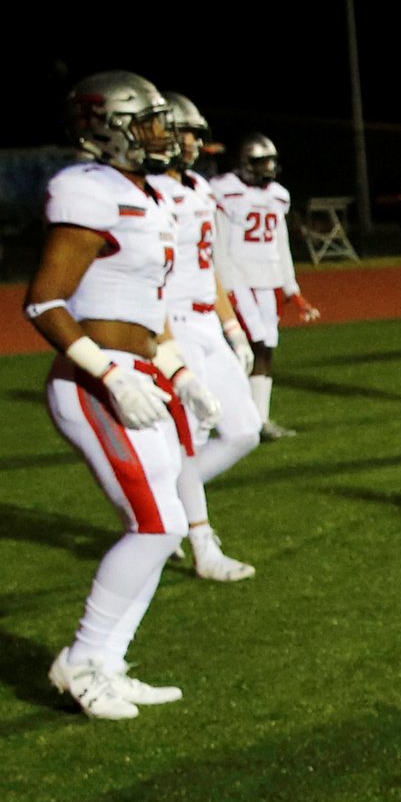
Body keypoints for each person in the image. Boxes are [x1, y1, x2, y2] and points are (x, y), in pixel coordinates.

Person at [20, 71, 230, 720]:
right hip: (95, 378)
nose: (158, 135)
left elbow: (148, 308)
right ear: (102, 125)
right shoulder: (87, 190)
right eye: (145, 122)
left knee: (163, 530)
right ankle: (83, 660)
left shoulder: (144, 193)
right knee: (157, 523)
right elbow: (43, 302)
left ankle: (108, 661)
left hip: (139, 369)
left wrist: (179, 369)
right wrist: (107, 374)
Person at [148, 94, 265, 582]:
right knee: (186, 442)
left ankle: (166, 507)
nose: (194, 142)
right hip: (171, 323)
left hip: (206, 323)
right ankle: (199, 541)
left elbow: (207, 264)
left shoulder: (197, 188)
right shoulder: (148, 193)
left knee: (244, 430)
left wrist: (233, 325)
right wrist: (169, 346)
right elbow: (151, 277)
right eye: (186, 133)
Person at [209, 132, 320, 440]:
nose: (268, 167)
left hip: (266, 278)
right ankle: (228, 416)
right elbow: (219, 242)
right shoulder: (224, 192)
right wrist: (225, 285)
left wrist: (291, 288)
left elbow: (280, 244)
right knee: (248, 345)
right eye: (261, 161)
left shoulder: (278, 195)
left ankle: (259, 419)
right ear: (245, 163)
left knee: (267, 344)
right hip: (239, 277)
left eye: (271, 161)